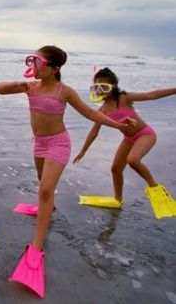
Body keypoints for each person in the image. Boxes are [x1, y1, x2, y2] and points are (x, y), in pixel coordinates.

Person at [0, 46, 133, 297]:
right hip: (39, 143)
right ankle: (49, 207)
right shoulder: (31, 87)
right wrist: (20, 84)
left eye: (39, 61)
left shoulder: (64, 91)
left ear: (55, 68)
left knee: (45, 190)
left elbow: (90, 112)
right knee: (41, 182)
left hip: (58, 143)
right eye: (32, 60)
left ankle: (36, 248)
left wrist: (117, 124)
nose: (34, 65)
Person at [73, 67, 176, 218]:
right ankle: (117, 200)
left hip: (145, 135)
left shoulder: (124, 98)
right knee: (115, 169)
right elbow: (94, 132)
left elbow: (151, 95)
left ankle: (156, 189)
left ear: (113, 87)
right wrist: (83, 151)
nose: (100, 90)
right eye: (97, 87)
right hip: (128, 139)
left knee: (133, 160)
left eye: (104, 87)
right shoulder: (102, 110)